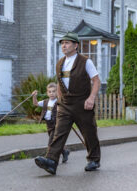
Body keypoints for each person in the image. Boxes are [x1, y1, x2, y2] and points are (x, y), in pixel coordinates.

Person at [34, 32, 101, 175]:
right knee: (59, 133)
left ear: (75, 45)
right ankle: (51, 161)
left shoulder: (85, 61)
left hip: (82, 104)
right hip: (65, 105)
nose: (63, 46)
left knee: (89, 133)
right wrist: (58, 100)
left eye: (67, 43)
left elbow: (96, 81)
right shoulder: (60, 63)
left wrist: (91, 98)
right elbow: (59, 83)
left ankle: (94, 159)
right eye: (62, 43)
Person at [32, 83, 70, 163]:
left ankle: (48, 158)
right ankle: (64, 151)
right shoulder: (45, 102)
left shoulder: (59, 101)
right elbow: (35, 103)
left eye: (53, 91)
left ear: (57, 92)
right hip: (48, 124)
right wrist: (34, 96)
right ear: (47, 93)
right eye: (50, 92)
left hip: (56, 124)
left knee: (51, 142)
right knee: (56, 141)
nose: (52, 93)